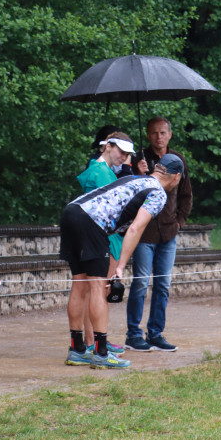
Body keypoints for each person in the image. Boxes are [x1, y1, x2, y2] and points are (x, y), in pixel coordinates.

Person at [60, 155, 183, 369]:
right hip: (92, 221)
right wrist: (119, 267)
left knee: (79, 284)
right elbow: (135, 228)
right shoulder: (157, 193)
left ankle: (77, 349)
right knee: (98, 285)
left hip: (71, 211)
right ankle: (101, 353)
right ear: (176, 177)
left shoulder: (136, 179)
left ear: (157, 168)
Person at [124, 117, 193, 353]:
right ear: (148, 134)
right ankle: (134, 334)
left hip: (168, 233)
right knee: (141, 283)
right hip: (144, 233)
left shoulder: (178, 161)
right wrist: (139, 172)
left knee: (163, 284)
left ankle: (156, 333)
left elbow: (186, 196)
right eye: (154, 133)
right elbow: (129, 195)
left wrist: (179, 223)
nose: (159, 137)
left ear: (170, 134)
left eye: (163, 132)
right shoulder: (138, 160)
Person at [76, 130, 139, 356]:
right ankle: (93, 340)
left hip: (103, 236)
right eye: (121, 152)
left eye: (127, 154)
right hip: (106, 237)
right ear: (108, 146)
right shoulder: (101, 173)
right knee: (98, 291)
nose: (124, 157)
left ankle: (95, 339)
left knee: (95, 291)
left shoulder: (102, 170)